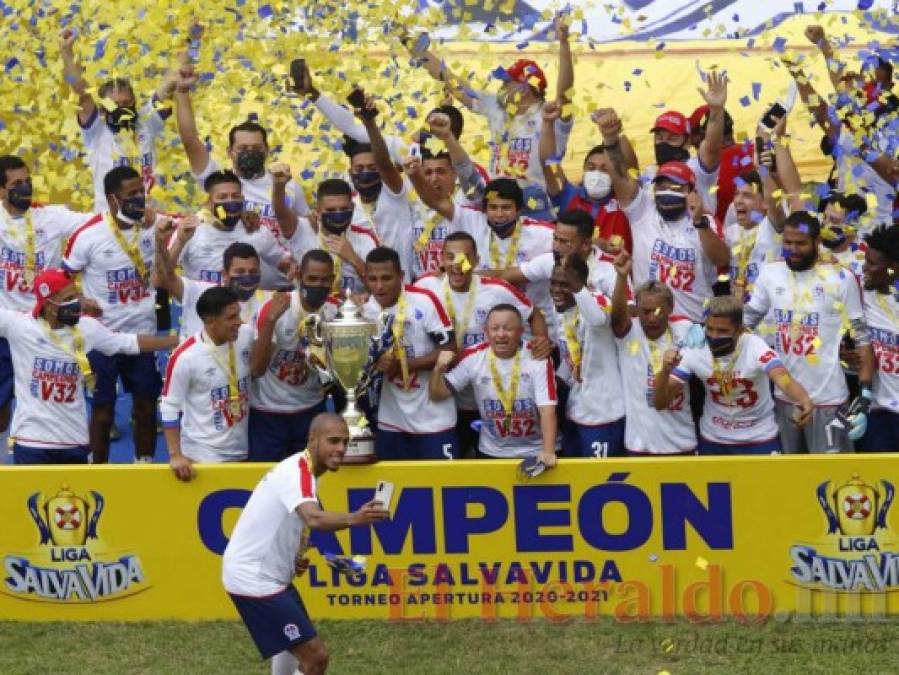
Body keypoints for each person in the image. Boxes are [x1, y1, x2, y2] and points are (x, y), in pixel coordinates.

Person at [222, 413, 388, 675]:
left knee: (292, 647)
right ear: (312, 440)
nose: (341, 449)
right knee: (316, 658)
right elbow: (314, 517)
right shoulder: (298, 471)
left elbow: (291, 522)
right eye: (333, 441)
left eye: (345, 442)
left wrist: (293, 558)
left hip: (270, 576)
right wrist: (355, 518)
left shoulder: (307, 472)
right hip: (253, 578)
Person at [0, 268, 176, 464]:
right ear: (49, 305)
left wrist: (177, 341)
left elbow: (129, 343)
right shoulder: (18, 326)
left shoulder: (87, 328)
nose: (77, 303)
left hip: (74, 440)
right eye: (70, 298)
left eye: (77, 296)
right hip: (31, 441)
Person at [408, 19, 574, 219]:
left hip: (536, 204)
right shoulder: (497, 108)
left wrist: (564, 43)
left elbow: (564, 93)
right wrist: (416, 49)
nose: (502, 87)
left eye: (508, 82)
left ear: (527, 87)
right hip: (497, 202)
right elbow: (452, 81)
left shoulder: (549, 116)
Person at [744, 211, 874, 453]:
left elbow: (861, 338)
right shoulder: (770, 273)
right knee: (789, 481)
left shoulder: (841, 278)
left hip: (830, 400)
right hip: (785, 398)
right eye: (788, 242)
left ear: (816, 242)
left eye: (801, 243)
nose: (793, 249)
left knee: (832, 481)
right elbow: (747, 320)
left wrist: (865, 394)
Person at [413, 232, 547, 456]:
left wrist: (541, 341)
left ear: (476, 260)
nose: (457, 265)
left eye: (464, 258)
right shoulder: (426, 288)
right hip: (448, 398)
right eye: (450, 257)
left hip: (492, 398)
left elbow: (534, 314)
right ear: (442, 259)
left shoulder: (496, 289)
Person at [62, 166, 160, 464]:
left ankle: (144, 467)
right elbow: (64, 276)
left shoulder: (153, 225)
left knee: (145, 408)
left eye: (141, 192)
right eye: (131, 194)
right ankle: (98, 472)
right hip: (102, 338)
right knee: (103, 412)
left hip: (142, 334)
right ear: (112, 198)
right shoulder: (88, 234)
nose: (139, 199)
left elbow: (191, 223)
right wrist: (80, 298)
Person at [598, 107, 731, 322]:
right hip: (649, 325)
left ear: (691, 191)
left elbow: (722, 259)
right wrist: (610, 139)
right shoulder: (644, 210)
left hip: (693, 328)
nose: (667, 191)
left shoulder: (705, 218)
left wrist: (699, 223)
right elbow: (622, 175)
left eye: (675, 187)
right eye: (662, 185)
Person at [0, 155, 92, 446]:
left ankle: (49, 452)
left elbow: (99, 223)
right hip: (5, 327)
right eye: (16, 184)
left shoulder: (52, 217)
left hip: (48, 325)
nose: (25, 188)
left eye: (27, 181)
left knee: (50, 398)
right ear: (1, 191)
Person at [655, 295, 814, 455]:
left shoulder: (755, 346)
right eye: (709, 328)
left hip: (759, 439)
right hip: (713, 439)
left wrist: (803, 398)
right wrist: (664, 371)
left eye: (722, 330)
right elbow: (661, 402)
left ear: (740, 330)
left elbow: (782, 377)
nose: (714, 336)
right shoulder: (694, 347)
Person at [406, 169, 555, 337]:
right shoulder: (474, 221)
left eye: (506, 208)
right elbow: (437, 202)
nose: (499, 214)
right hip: (490, 331)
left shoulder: (544, 235)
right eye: (493, 207)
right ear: (484, 210)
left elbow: (573, 249)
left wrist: (469, 273)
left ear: (519, 209)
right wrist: (414, 174)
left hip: (533, 327)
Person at [58, 28, 181, 211]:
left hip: (151, 218)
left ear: (134, 102)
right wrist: (66, 52)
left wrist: (191, 41)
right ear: (103, 108)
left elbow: (171, 82)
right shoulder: (96, 130)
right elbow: (82, 93)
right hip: (111, 222)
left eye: (127, 102)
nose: (122, 108)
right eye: (115, 104)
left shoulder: (146, 121)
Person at [430, 304, 558, 465]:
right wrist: (438, 369)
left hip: (535, 450)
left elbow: (547, 410)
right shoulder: (473, 357)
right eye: (495, 328)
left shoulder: (537, 357)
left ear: (521, 331)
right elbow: (438, 394)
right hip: (492, 451)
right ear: (486, 331)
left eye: (508, 329)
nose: (501, 334)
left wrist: (547, 451)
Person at [362, 247, 458, 460]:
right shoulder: (363, 312)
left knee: (441, 487)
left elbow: (451, 350)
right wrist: (375, 363)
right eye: (373, 279)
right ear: (365, 278)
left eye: (386, 278)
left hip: (434, 418)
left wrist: (406, 365)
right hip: (392, 420)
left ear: (401, 276)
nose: (379, 286)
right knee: (392, 489)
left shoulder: (424, 300)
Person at [248, 250, 341, 461]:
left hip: (310, 409)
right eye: (312, 279)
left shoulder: (337, 312)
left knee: (310, 480)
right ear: (299, 277)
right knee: (265, 479)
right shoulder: (276, 307)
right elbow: (256, 368)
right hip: (268, 412)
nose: (318, 285)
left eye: (324, 280)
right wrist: (271, 321)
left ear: (333, 280)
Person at [160, 287, 254, 479]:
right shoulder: (185, 357)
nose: (238, 322)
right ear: (210, 320)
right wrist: (176, 455)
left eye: (238, 314)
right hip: (202, 457)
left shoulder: (246, 335)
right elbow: (169, 406)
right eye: (231, 317)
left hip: (243, 450)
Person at [611, 252, 697, 456]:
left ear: (670, 308)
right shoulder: (629, 332)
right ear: (637, 310)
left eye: (658, 311)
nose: (651, 318)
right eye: (645, 311)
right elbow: (617, 317)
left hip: (681, 443)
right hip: (640, 446)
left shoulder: (686, 330)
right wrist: (622, 277)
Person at [550, 257, 625, 457]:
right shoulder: (562, 311)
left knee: (601, 483)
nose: (557, 290)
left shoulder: (598, 300)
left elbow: (598, 320)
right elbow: (571, 357)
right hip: (575, 410)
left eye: (564, 284)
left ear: (580, 283)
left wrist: (576, 287)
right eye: (554, 283)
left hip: (603, 414)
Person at [170, 170, 294, 289]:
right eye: (222, 197)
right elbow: (164, 272)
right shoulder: (190, 229)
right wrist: (180, 241)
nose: (230, 202)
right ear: (208, 202)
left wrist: (291, 269)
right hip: (202, 306)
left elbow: (283, 263)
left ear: (243, 199)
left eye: (235, 196)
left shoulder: (256, 229)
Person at [539, 102, 634, 255]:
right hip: (571, 274)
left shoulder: (626, 201)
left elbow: (631, 168)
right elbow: (548, 164)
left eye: (605, 169)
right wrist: (547, 122)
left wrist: (614, 133)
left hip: (614, 276)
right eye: (591, 167)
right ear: (583, 172)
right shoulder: (568, 195)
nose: (597, 174)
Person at [155, 218, 270, 338]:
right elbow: (164, 278)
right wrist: (171, 243)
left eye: (253, 272)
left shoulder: (267, 303)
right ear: (224, 274)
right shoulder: (200, 292)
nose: (247, 277)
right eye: (240, 272)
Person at [347, 92, 422, 276]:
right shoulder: (348, 209)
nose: (365, 173)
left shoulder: (394, 193)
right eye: (359, 168)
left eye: (372, 167)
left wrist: (370, 124)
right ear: (350, 173)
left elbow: (386, 164)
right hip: (368, 293)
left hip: (404, 289)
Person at [286, 178, 379, 296]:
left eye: (344, 209)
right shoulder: (305, 231)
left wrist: (354, 259)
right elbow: (282, 214)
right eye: (331, 210)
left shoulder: (366, 239)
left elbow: (380, 288)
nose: (338, 214)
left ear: (353, 207)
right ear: (318, 210)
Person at [858, 224, 899, 451]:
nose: (865, 268)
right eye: (866, 260)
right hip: (879, 412)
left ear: (893, 268)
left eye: (872, 264)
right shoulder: (864, 294)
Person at [688, 105, 755, 224]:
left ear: (702, 136)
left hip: (720, 236)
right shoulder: (757, 151)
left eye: (692, 134)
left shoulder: (697, 171)